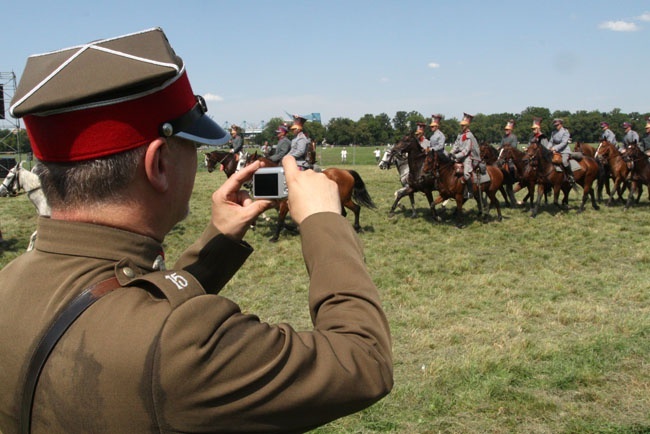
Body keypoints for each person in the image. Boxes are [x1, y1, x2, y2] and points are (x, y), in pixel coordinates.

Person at [0, 28, 392, 434]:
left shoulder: (9, 283)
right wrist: (323, 221)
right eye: (191, 143)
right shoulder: (182, 345)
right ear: (159, 166)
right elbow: (365, 360)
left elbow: (122, 301)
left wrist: (216, 243)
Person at [451, 113, 480, 199]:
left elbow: (466, 151)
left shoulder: (469, 135)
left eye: (464, 125)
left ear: (467, 125)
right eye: (461, 125)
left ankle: (470, 192)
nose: (462, 127)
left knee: (466, 174)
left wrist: (456, 156)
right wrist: (451, 153)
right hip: (458, 156)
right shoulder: (460, 134)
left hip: (467, 157)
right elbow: (455, 145)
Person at [549, 118, 575, 185]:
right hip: (554, 150)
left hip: (564, 150)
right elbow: (551, 141)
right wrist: (548, 148)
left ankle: (570, 175)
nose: (556, 126)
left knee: (564, 161)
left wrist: (554, 148)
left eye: (557, 125)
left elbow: (564, 143)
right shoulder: (553, 132)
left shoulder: (565, 132)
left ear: (561, 124)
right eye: (555, 125)